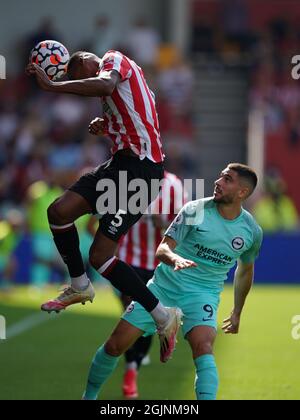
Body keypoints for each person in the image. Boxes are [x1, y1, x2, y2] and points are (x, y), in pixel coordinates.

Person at [26, 49, 182, 361]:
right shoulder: (115, 92)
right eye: (70, 78)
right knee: (58, 212)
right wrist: (107, 124)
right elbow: (135, 114)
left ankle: (164, 317)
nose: (75, 79)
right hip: (118, 167)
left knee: (100, 255)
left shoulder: (115, 60)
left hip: (142, 173)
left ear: (86, 58)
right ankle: (81, 284)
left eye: (75, 71)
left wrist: (53, 86)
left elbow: (106, 84)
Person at [82, 163, 263, 401]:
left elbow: (245, 269)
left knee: (203, 348)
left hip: (202, 295)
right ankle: (89, 397)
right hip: (162, 289)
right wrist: (174, 257)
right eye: (220, 176)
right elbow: (163, 248)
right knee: (115, 345)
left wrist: (237, 310)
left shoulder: (251, 230)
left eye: (227, 179)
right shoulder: (195, 210)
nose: (218, 182)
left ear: (243, 192)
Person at [116, 170, 186, 398]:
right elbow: (104, 217)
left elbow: (188, 222)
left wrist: (164, 222)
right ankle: (131, 367)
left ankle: (132, 369)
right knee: (134, 309)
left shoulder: (174, 185)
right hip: (129, 259)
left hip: (158, 263)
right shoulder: (123, 181)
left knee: (144, 316)